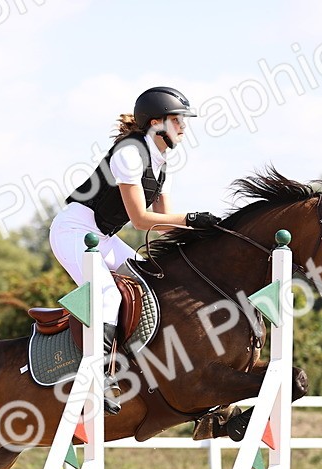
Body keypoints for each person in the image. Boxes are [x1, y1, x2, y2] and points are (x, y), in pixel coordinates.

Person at [49, 86, 222, 414]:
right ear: (156, 123)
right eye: (177, 120)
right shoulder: (130, 154)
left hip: (103, 237)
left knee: (154, 280)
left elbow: (166, 223)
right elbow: (142, 220)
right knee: (108, 296)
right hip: (74, 231)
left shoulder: (163, 162)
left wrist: (205, 230)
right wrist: (191, 218)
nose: (183, 126)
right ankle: (93, 378)